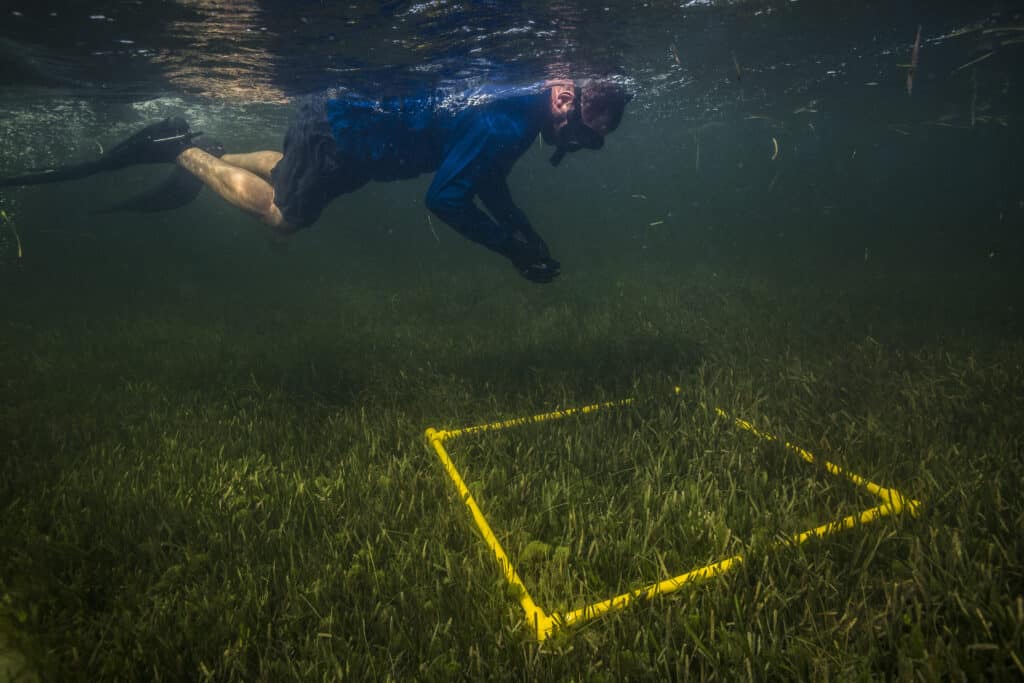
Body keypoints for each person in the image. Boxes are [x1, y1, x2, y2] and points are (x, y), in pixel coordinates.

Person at [1, 79, 630, 283]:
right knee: (284, 219)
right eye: (584, 134)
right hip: (343, 138)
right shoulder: (506, 123)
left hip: (343, 129)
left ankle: (206, 151)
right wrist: (509, 247)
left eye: (591, 143)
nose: (578, 145)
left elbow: (485, 179)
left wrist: (522, 231)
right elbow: (445, 195)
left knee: (286, 171)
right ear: (564, 101)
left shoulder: (517, 112)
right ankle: (185, 153)